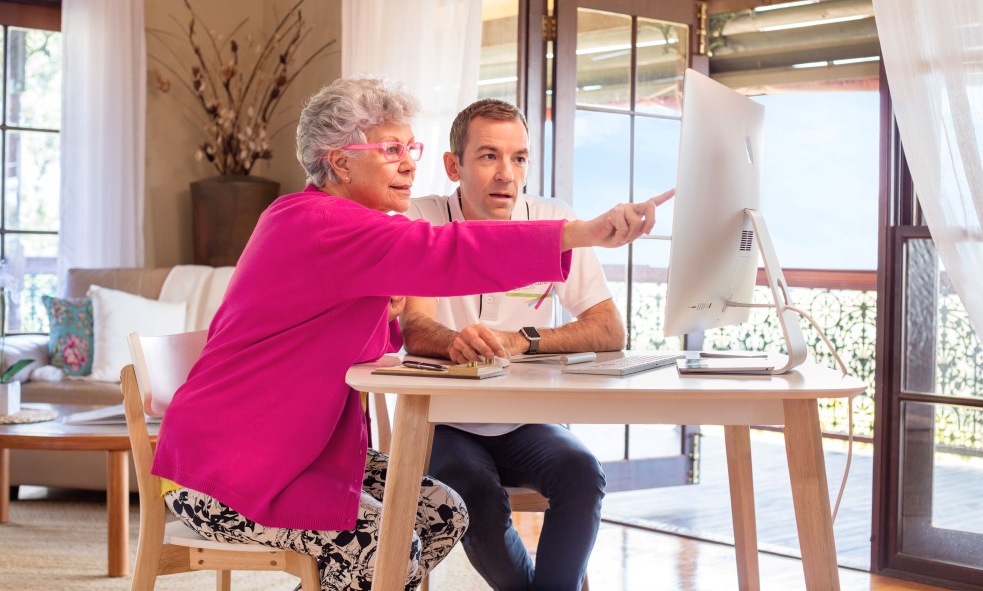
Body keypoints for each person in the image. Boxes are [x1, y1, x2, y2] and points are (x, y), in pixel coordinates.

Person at [150, 76, 672, 591]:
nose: (409, 162)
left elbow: (347, 343)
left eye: (412, 147)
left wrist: (387, 309)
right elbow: (450, 250)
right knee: (381, 543)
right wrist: (583, 233)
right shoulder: (325, 223)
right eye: (391, 148)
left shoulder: (332, 222)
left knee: (443, 510)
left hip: (293, 453)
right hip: (225, 473)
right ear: (339, 160)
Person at [401, 98, 624, 591]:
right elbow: (413, 326)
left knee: (583, 474)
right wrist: (456, 341)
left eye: (518, 158)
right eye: (488, 156)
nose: (507, 173)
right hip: (445, 421)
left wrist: (523, 340)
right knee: (473, 492)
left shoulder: (556, 221)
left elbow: (609, 329)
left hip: (528, 418)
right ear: (453, 165)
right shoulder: (423, 219)